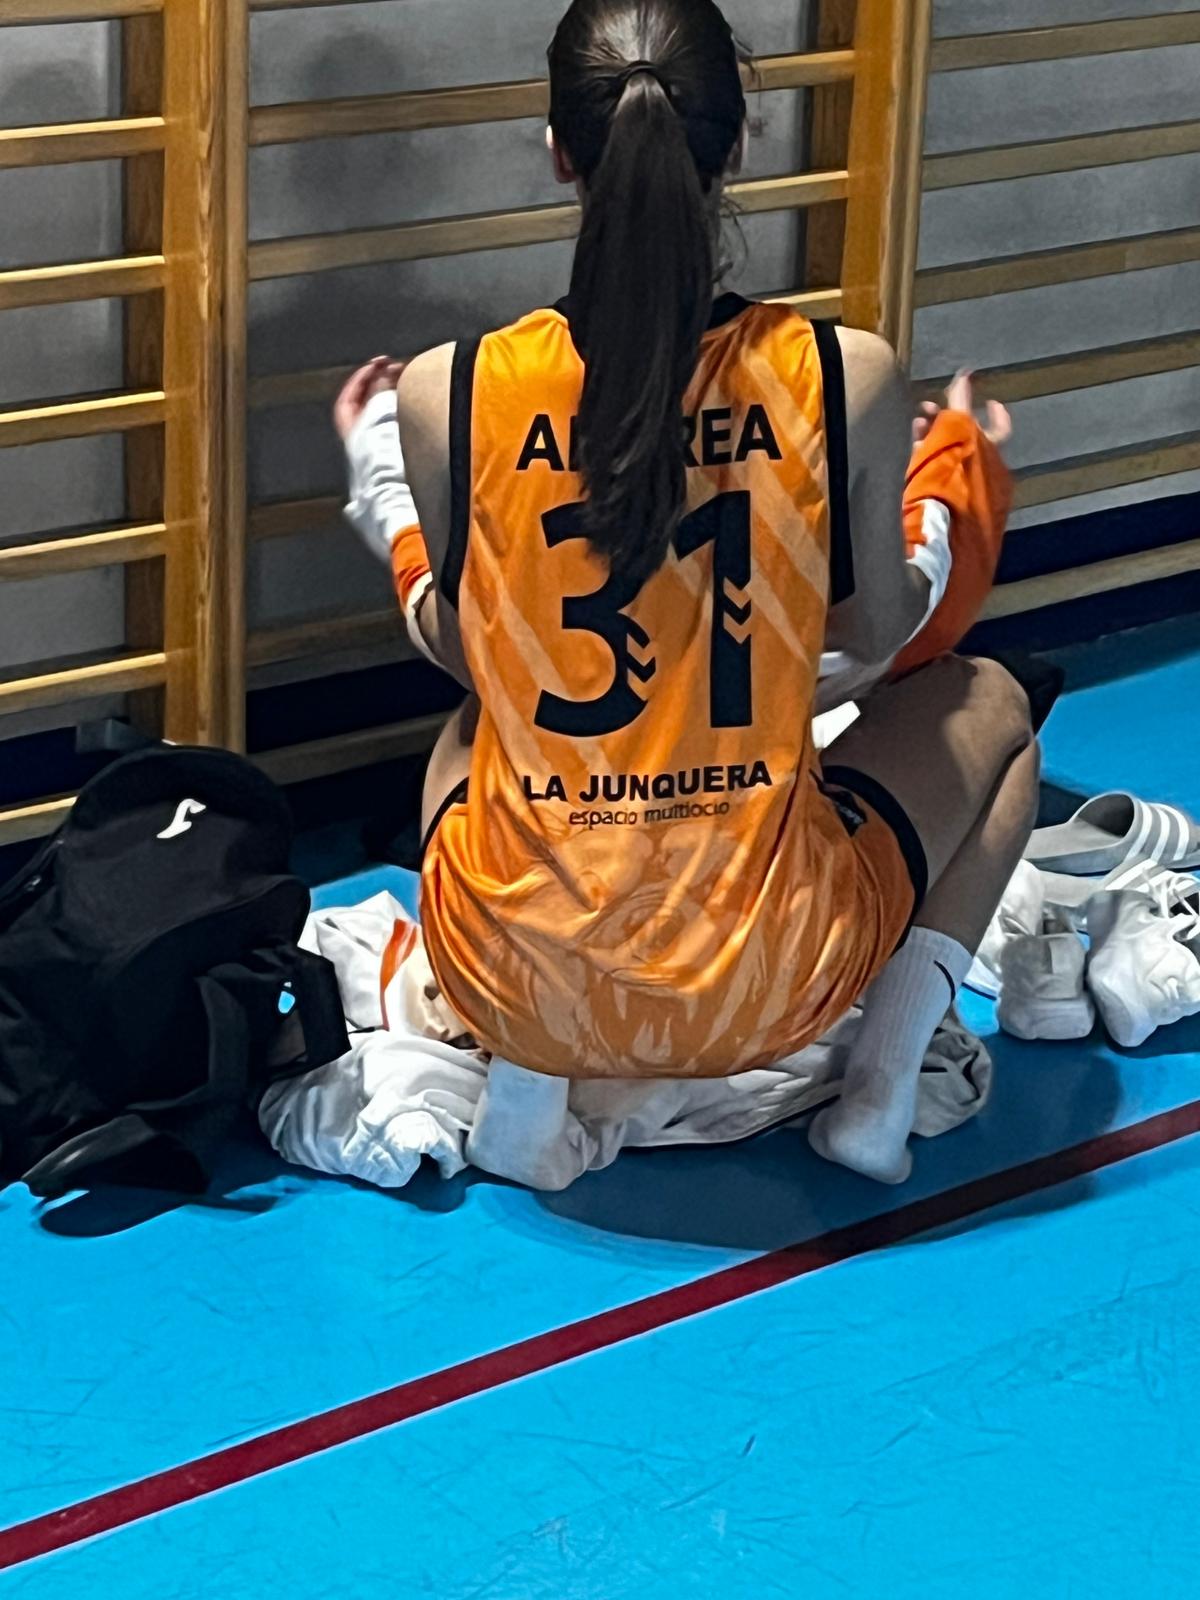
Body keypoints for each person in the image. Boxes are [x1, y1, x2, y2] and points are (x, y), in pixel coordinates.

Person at [335, 0, 1036, 1185]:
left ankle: (529, 1086)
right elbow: (878, 635)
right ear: (741, 144)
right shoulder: (841, 373)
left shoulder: (451, 391)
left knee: (479, 720)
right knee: (993, 702)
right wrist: (948, 486)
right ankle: (879, 1093)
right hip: (771, 981)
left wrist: (382, 495)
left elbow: (465, 644)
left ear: (559, 153)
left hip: (510, 978)